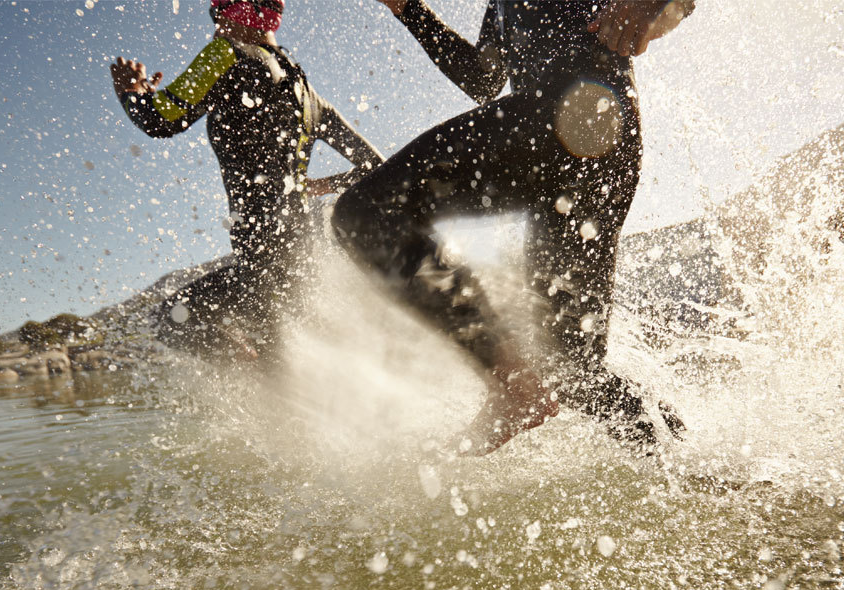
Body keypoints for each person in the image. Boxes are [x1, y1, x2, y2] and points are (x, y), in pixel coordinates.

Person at [332, 0, 694, 455]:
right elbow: (483, 79)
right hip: (575, 142)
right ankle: (687, 465)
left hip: (582, 114)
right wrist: (409, 10)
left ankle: (513, 384)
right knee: (573, 371)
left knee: (367, 213)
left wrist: (649, 6)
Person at [111, 0, 383, 363]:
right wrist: (311, 186)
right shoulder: (308, 96)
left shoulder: (226, 54)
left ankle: (248, 364)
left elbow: (160, 120)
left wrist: (131, 92)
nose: (215, 26)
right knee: (287, 369)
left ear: (238, 13)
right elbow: (376, 167)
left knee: (171, 321)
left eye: (218, 13)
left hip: (261, 261)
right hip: (304, 260)